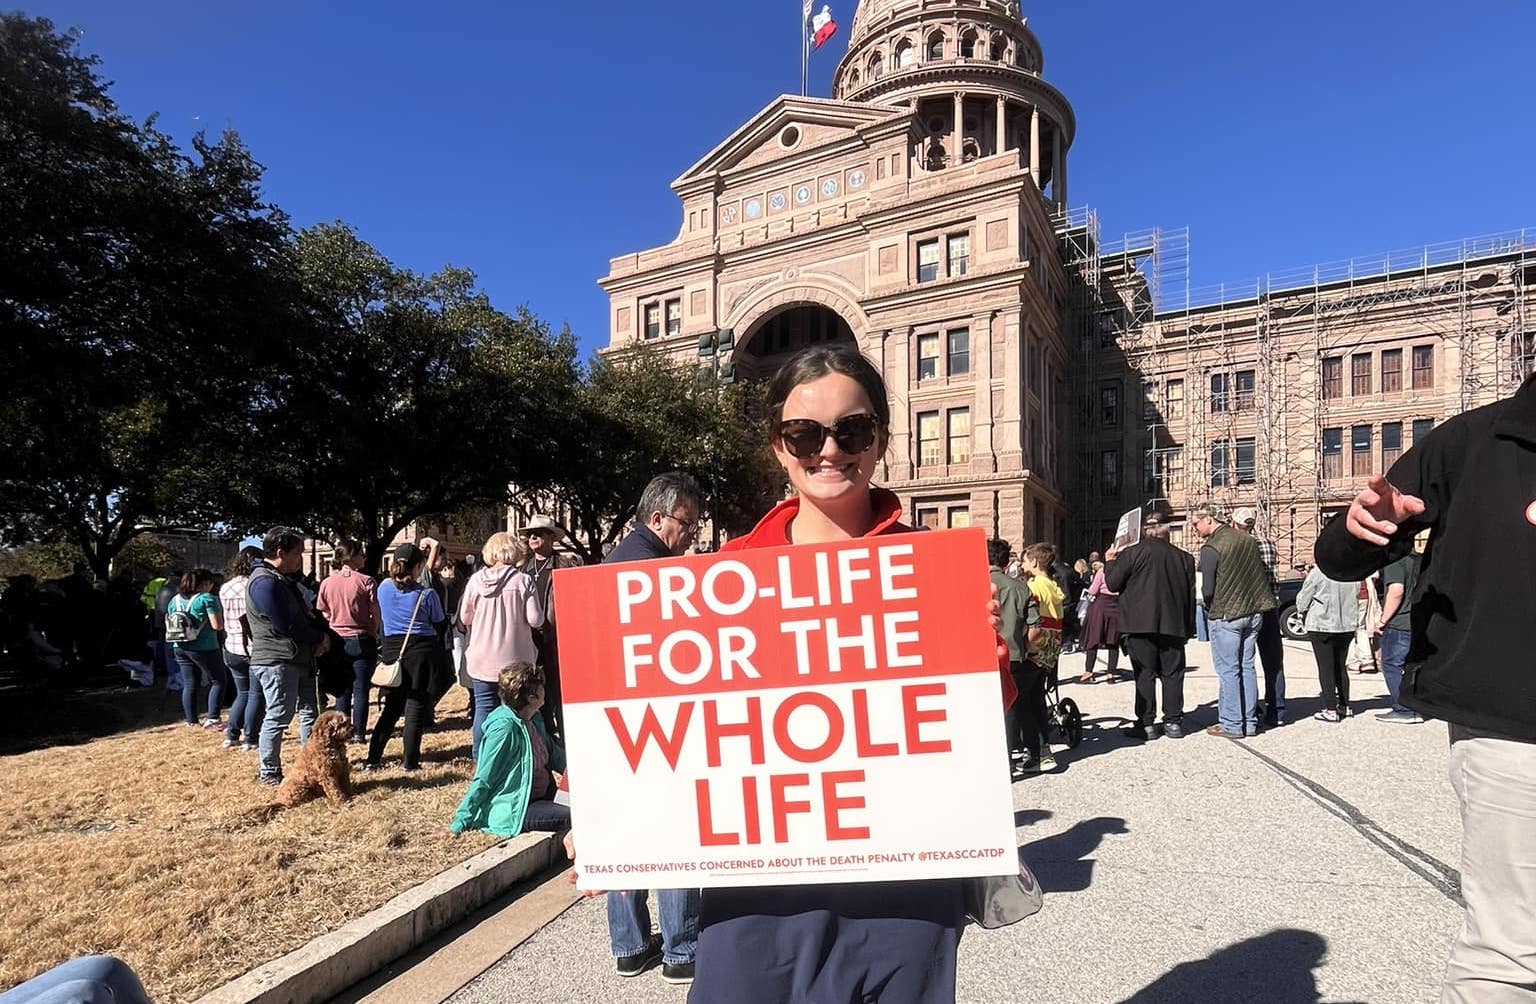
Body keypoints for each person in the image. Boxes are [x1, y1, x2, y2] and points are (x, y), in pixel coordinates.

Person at [690, 345, 998, 1002]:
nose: (829, 450)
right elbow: (675, 725)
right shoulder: (725, 576)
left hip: (902, 889)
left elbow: (978, 723)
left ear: (879, 440)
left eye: (852, 430)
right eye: (805, 434)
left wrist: (985, 656)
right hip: (759, 894)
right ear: (779, 446)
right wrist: (613, 817)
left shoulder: (931, 567)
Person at [1314, 372, 1536, 1001]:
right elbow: (1338, 554)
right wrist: (1366, 526)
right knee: (1512, 954)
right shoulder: (1476, 439)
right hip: (1517, 731)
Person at [601, 473, 706, 985]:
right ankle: (681, 949)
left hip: (614, 719)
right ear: (659, 518)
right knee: (672, 827)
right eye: (688, 523)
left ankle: (630, 946)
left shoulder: (611, 564)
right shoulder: (659, 574)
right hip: (660, 721)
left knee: (626, 827)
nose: (691, 534)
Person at [247, 527, 331, 787]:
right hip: (277, 660)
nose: (300, 559)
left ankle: (311, 764)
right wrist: (317, 637)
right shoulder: (264, 582)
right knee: (279, 714)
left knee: (309, 711)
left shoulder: (281, 580)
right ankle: (269, 771)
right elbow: (286, 625)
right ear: (280, 552)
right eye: (297, 553)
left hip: (297, 658)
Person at [449, 662, 567, 837]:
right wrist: (460, 822)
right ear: (531, 697)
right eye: (541, 686)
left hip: (544, 796)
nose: (545, 689)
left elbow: (556, 756)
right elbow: (484, 778)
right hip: (518, 808)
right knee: (579, 816)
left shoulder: (535, 719)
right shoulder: (503, 729)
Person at [1105, 514, 1196, 740]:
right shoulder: (1184, 557)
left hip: (1138, 623)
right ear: (1167, 529)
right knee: (1173, 674)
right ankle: (1173, 722)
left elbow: (1112, 584)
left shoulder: (1132, 553)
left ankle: (1146, 723)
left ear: (1145, 530)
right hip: (1173, 623)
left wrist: (1110, 562)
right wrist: (1189, 627)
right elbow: (1190, 595)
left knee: (1144, 673)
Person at [1192, 503, 1275, 739]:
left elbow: (1207, 589)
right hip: (1254, 610)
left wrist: (1209, 606)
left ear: (1208, 519)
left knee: (1228, 670)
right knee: (1247, 666)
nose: (1195, 529)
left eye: (1196, 524)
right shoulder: (1248, 540)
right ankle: (1250, 722)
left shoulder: (1211, 547)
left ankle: (1231, 723)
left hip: (1227, 613)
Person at [460, 533, 545, 759]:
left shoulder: (475, 581)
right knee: (518, 710)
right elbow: (536, 619)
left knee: (483, 708)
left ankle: (480, 757)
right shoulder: (523, 581)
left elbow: (465, 617)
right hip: (516, 661)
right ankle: (517, 754)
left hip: (481, 659)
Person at [365, 542, 447, 772]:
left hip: (392, 650)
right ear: (419, 566)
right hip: (420, 652)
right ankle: (410, 762)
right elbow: (439, 623)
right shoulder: (426, 594)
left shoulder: (383, 588)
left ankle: (372, 759)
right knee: (416, 708)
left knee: (390, 710)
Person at [520, 515, 581, 743]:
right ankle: (544, 740)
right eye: (530, 534)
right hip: (530, 640)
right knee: (536, 693)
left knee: (560, 694)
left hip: (557, 639)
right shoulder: (522, 570)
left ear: (551, 537)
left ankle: (567, 739)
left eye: (538, 533)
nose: (533, 537)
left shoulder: (565, 565)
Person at [315, 538, 379, 744]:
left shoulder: (327, 582)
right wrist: (374, 630)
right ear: (352, 556)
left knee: (342, 690)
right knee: (361, 690)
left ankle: (341, 732)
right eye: (361, 554)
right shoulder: (366, 581)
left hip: (337, 640)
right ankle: (358, 733)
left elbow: (323, 610)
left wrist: (334, 621)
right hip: (362, 637)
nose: (364, 557)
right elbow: (375, 613)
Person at [1233, 506, 1287, 726]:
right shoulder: (1267, 543)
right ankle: (1276, 710)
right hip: (1270, 605)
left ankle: (1250, 709)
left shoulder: (1237, 546)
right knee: (1273, 661)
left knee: (1244, 662)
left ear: (1235, 524)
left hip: (1246, 606)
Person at [1019, 542, 1065, 773]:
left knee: (1025, 701)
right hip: (1051, 647)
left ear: (1035, 562)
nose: (1022, 564)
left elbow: (1030, 616)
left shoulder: (1034, 586)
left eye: (1025, 560)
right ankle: (1044, 749)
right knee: (1037, 698)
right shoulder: (1053, 586)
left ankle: (1035, 751)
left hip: (1035, 646)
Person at [990, 538, 1034, 775]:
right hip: (1014, 654)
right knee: (1009, 706)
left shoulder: (971, 584)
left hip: (980, 658)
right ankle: (1007, 757)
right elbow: (1035, 626)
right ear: (1007, 562)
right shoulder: (1020, 587)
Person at [1295, 565, 1360, 723]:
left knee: (1326, 667)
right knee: (1340, 666)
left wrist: (1301, 609)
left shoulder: (1320, 571)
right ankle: (1345, 705)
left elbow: (1305, 595)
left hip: (1322, 623)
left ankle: (1331, 709)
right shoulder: (1352, 571)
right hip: (1346, 623)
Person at [167, 569, 226, 729]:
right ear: (206, 583)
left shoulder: (175, 600)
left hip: (179, 645)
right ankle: (213, 717)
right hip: (204, 647)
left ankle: (191, 720)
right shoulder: (207, 599)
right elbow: (217, 625)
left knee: (190, 683)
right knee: (218, 680)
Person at [219, 547, 265, 751]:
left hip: (232, 645)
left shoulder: (225, 587)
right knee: (256, 694)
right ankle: (251, 737)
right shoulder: (255, 586)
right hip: (254, 647)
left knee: (242, 692)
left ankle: (232, 734)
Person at [1373, 548, 1423, 724]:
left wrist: (1382, 620)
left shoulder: (1396, 561)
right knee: (1411, 667)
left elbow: (1396, 591)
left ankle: (1404, 709)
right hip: (1416, 620)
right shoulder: (1418, 559)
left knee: (1391, 665)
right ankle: (1417, 705)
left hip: (1399, 622)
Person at [1079, 554, 1123, 683]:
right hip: (1116, 605)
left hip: (1101, 606)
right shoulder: (1123, 571)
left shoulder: (1102, 571)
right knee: (1113, 640)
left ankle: (1088, 671)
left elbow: (1093, 590)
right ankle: (1111, 673)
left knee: (1093, 638)